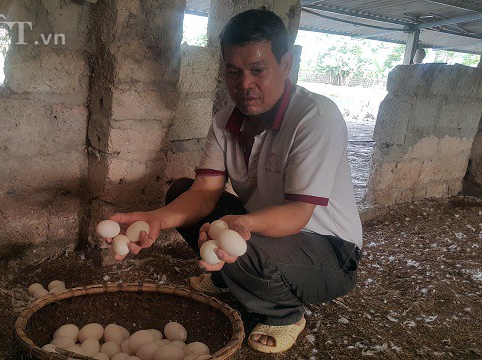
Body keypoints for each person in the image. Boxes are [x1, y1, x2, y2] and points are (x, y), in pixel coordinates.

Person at [105, 9, 362, 354]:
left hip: (329, 251)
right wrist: (157, 219)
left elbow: (299, 212)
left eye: (258, 70)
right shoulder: (226, 120)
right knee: (181, 193)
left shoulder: (316, 119)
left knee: (243, 243)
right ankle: (231, 275)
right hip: (269, 229)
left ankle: (286, 314)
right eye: (233, 72)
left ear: (285, 65)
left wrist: (241, 224)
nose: (244, 85)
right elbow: (204, 194)